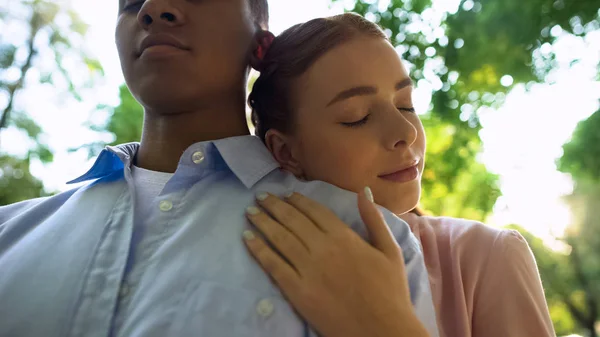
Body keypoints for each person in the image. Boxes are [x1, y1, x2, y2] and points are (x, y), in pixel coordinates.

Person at [0, 1, 438, 337]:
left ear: (260, 38)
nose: (153, 8)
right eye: (132, 2)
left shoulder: (363, 236)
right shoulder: (8, 232)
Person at [245, 13, 556, 337]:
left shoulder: (488, 257)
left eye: (406, 105)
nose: (406, 131)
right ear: (285, 152)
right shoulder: (250, 263)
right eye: (358, 117)